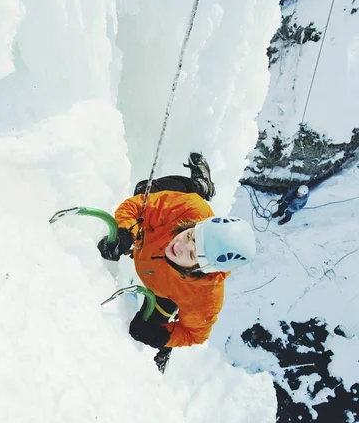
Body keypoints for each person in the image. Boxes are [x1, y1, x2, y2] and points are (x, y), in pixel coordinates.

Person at [98, 153, 256, 373]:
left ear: (202, 270)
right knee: (144, 189)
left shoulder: (204, 297)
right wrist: (126, 232)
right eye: (190, 236)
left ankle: (164, 352)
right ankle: (199, 186)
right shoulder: (189, 211)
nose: (180, 245)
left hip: (165, 291)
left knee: (148, 326)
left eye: (192, 255)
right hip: (163, 229)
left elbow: (194, 333)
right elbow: (136, 208)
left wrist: (162, 338)